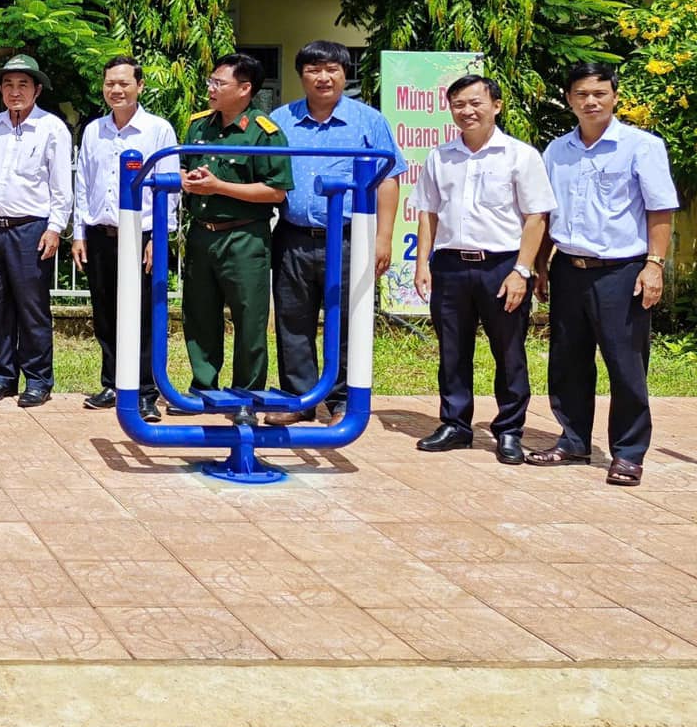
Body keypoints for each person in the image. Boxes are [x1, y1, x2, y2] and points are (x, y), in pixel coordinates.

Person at [532, 63, 679, 486]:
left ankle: (629, 453)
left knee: (626, 364)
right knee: (567, 361)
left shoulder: (641, 146)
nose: (591, 101)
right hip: (568, 268)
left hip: (623, 270)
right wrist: (541, 265)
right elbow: (545, 211)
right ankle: (573, 439)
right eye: (581, 94)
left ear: (614, 96)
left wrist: (655, 265)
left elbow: (660, 209)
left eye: (599, 93)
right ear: (569, 100)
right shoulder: (557, 151)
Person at [411, 75, 553, 465]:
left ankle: (509, 430)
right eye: (458, 104)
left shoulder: (521, 155)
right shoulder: (441, 156)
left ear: (497, 105)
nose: (467, 111)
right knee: (452, 350)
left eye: (475, 103)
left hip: (502, 266)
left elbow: (536, 217)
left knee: (509, 351)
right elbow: (427, 212)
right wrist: (423, 263)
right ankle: (456, 424)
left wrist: (522, 271)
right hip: (451, 265)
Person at [264, 41, 406, 425]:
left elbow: (389, 180)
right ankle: (300, 399)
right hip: (293, 237)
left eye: (332, 70)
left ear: (345, 74)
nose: (323, 77)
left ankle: (343, 399)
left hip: (348, 239)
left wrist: (383, 237)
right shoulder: (281, 119)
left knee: (348, 320)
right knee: (293, 321)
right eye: (313, 69)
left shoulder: (368, 121)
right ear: (301, 76)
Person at [0, 53, 74, 407]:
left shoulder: (52, 128)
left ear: (37, 89)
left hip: (31, 229)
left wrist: (55, 228)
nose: (14, 92)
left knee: (32, 308)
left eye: (22, 85)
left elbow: (61, 187)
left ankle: (38, 379)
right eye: (8, 85)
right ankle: (2, 376)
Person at [179, 54, 292, 400]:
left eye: (219, 83)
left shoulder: (265, 132)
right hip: (202, 233)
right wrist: (189, 179)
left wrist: (219, 187)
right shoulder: (198, 125)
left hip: (245, 236)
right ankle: (203, 386)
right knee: (199, 315)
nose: (211, 89)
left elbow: (275, 190)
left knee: (249, 319)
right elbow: (183, 166)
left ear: (245, 89)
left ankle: (246, 393)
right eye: (211, 81)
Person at [71, 55, 177, 422]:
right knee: (106, 313)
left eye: (123, 84)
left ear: (140, 86)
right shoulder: (93, 130)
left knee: (145, 315)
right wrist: (78, 233)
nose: (116, 90)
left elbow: (170, 187)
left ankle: (146, 391)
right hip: (100, 235)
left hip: (143, 235)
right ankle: (113, 382)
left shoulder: (158, 130)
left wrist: (160, 238)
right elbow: (83, 184)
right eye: (109, 84)